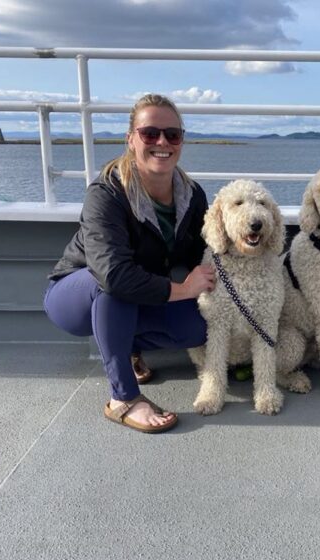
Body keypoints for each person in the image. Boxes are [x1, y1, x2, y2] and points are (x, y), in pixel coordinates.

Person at [44, 93, 215, 433]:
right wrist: (182, 289)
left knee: (197, 327)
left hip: (137, 297)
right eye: (150, 133)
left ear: (181, 140)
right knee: (110, 287)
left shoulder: (192, 195)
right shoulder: (106, 194)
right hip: (75, 294)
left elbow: (202, 252)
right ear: (131, 139)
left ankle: (128, 346)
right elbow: (113, 274)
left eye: (172, 134)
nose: (162, 142)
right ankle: (122, 397)